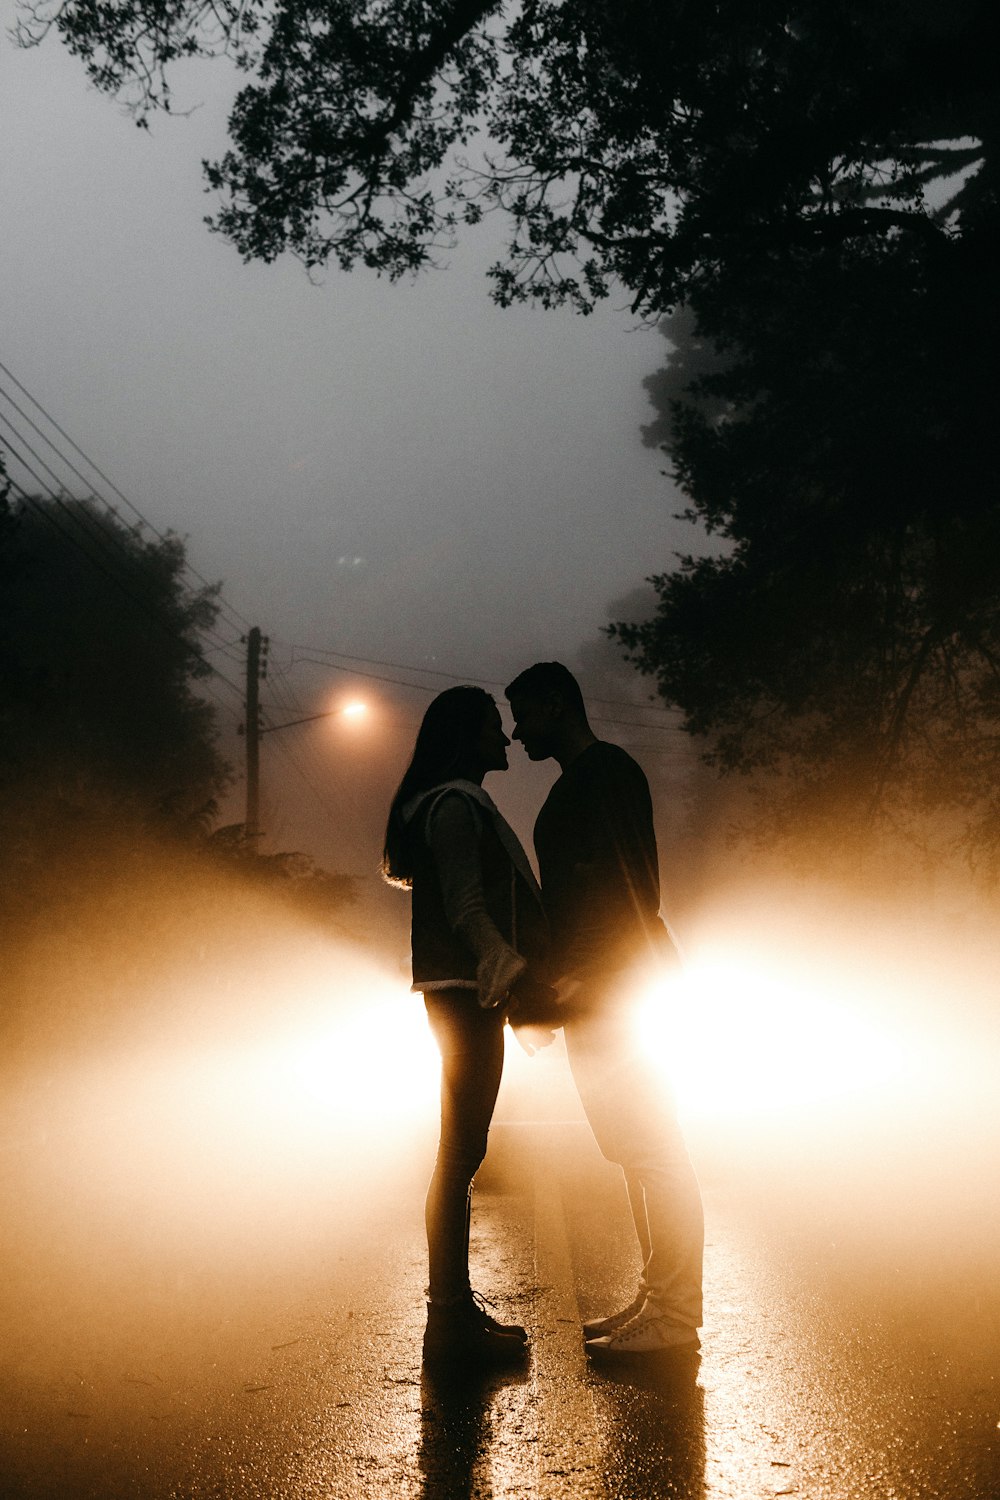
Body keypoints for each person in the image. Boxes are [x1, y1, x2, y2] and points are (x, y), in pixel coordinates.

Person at [505, 661, 704, 1356]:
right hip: (600, 993)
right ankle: (659, 1300)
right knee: (633, 1152)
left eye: (524, 713)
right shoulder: (575, 786)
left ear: (558, 703)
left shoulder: (607, 774)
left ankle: (677, 1319)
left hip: (620, 991)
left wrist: (588, 978)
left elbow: (630, 890)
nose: (516, 730)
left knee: (654, 1151)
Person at [382, 685, 551, 1364]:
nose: (505, 740)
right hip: (462, 992)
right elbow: (465, 901)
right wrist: (499, 961)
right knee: (459, 1155)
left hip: (460, 992)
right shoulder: (453, 804)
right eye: (492, 729)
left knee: (463, 1152)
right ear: (463, 737)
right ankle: (448, 1323)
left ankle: (452, 1315)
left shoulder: (450, 801)